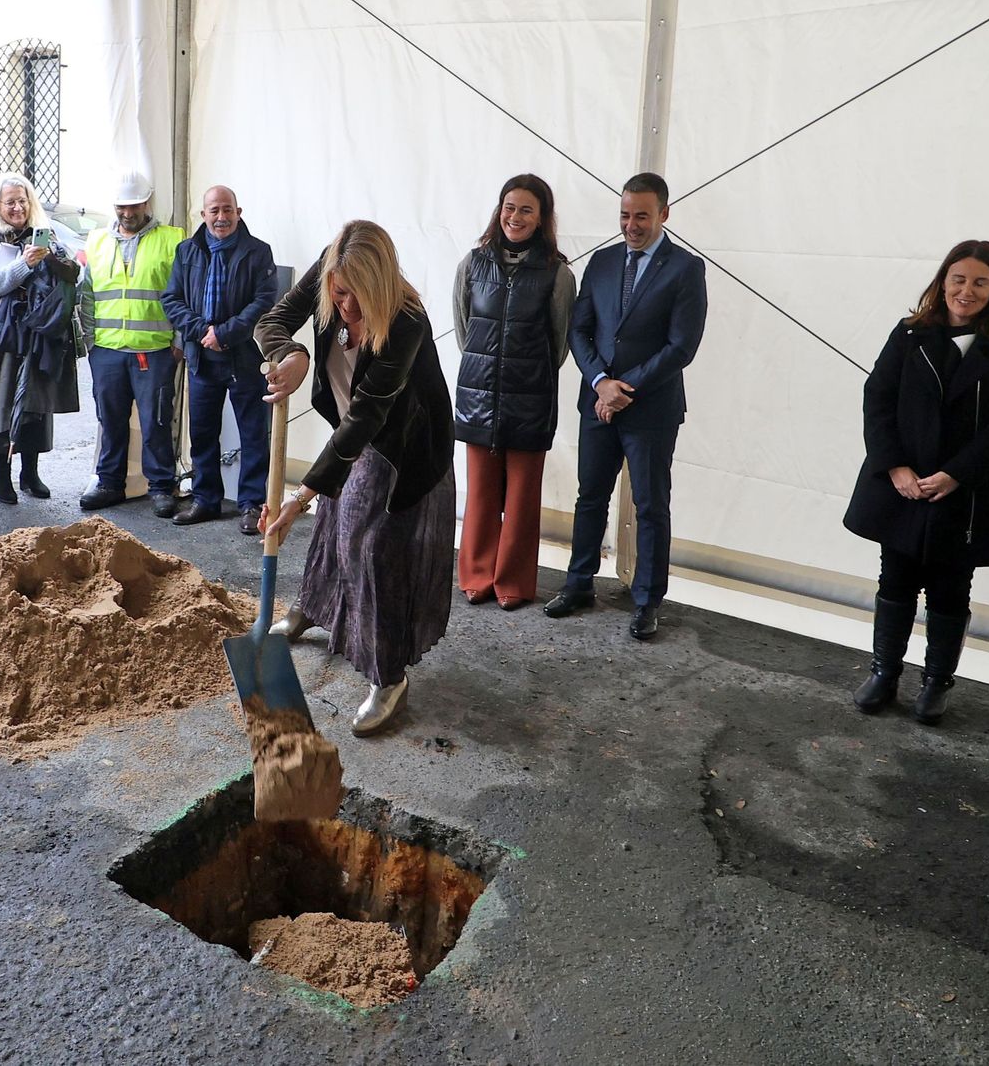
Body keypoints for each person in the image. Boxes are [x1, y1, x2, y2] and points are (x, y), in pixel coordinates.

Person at [256, 220, 456, 738]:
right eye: (339, 294)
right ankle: (312, 606)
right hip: (351, 432)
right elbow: (272, 321)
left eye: (359, 298)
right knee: (334, 523)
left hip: (403, 444)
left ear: (382, 287)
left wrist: (299, 496)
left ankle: (389, 678)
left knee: (371, 547)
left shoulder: (407, 321)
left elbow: (366, 417)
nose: (345, 307)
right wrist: (292, 355)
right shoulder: (329, 268)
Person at [843, 240, 989, 725]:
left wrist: (957, 474)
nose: (966, 291)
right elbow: (878, 399)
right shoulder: (910, 333)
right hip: (905, 485)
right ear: (943, 280)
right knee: (896, 578)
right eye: (958, 278)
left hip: (967, 491)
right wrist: (895, 468)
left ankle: (936, 684)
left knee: (952, 588)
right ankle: (884, 673)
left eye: (979, 282)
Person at [545, 172, 707, 641]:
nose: (631, 225)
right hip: (597, 401)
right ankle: (578, 584)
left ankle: (647, 600)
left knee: (650, 503)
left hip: (650, 408)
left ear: (664, 213)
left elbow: (681, 346)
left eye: (641, 215)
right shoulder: (602, 261)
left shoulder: (684, 269)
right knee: (589, 495)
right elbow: (580, 330)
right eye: (624, 215)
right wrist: (599, 382)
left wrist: (622, 388)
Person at [453, 174, 576, 608]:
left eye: (527, 209)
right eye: (510, 207)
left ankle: (513, 582)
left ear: (542, 218)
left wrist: (523, 375)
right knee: (482, 495)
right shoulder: (473, 264)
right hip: (478, 397)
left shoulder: (556, 273)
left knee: (522, 499)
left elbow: (559, 343)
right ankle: (477, 574)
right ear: (498, 210)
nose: (515, 217)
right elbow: (465, 330)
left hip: (530, 399)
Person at [159, 184, 278, 534]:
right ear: (204, 215)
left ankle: (251, 505)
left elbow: (264, 301)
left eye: (228, 209)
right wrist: (201, 332)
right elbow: (171, 300)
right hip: (201, 358)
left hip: (243, 358)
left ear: (238, 213)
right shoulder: (186, 251)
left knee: (253, 433)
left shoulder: (258, 252)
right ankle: (206, 500)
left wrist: (224, 334)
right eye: (215, 210)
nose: (222, 217)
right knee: (203, 433)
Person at [0, 172, 84, 504]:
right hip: (1, 337)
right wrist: (24, 264)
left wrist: (61, 263)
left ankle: (30, 473)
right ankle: (2, 477)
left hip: (40, 334)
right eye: (10, 202)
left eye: (22, 200)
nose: (17, 207)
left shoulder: (47, 234)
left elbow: (76, 275)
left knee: (37, 405)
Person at [79, 170, 185, 517]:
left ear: (147, 202)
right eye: (122, 206)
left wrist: (179, 340)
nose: (128, 213)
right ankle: (109, 483)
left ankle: (161, 486)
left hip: (154, 349)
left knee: (156, 420)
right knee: (109, 420)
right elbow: (87, 296)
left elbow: (185, 294)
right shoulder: (96, 241)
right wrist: (91, 341)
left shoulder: (173, 239)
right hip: (107, 350)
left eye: (135, 205)